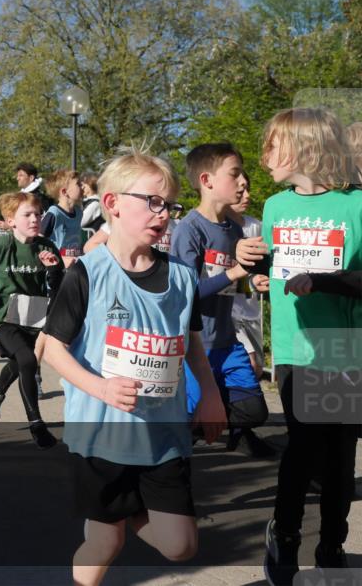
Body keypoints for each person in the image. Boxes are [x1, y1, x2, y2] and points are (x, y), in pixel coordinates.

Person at [41, 147, 226, 586]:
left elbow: (192, 343)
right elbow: (50, 349)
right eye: (153, 202)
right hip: (102, 436)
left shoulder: (182, 277)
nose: (163, 214)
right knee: (106, 543)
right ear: (112, 204)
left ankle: (127, 507)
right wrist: (100, 388)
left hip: (163, 434)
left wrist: (212, 393)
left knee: (182, 545)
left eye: (170, 206)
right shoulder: (86, 273)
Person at [235, 107, 361, 583]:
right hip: (292, 347)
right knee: (305, 446)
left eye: (272, 146)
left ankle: (331, 545)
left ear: (305, 147)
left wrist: (324, 282)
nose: (263, 157)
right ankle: (286, 537)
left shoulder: (356, 207)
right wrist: (253, 265)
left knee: (340, 456)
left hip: (344, 347)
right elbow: (276, 267)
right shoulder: (274, 207)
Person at [170, 143, 271, 457]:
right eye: (235, 174)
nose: (243, 182)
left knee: (255, 412)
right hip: (195, 346)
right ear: (207, 180)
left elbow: (231, 286)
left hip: (228, 342)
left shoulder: (234, 229)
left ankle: (207, 424)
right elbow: (187, 294)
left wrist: (252, 280)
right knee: (180, 434)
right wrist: (236, 272)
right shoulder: (189, 230)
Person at [0, 191, 64, 448]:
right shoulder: (1, 245)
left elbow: (59, 284)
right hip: (5, 317)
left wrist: (53, 268)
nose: (35, 219)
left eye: (38, 214)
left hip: (34, 316)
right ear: (11, 221)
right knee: (27, 360)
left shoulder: (46, 246)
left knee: (19, 361)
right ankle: (37, 425)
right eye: (27, 215)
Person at [226, 172, 267, 380]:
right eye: (241, 191)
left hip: (251, 311)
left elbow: (262, 268)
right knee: (248, 364)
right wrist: (249, 282)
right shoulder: (213, 228)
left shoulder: (256, 226)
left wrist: (261, 280)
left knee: (257, 369)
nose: (247, 196)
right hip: (228, 313)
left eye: (248, 189)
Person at [41, 169, 85, 268]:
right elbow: (39, 238)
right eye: (78, 184)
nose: (83, 186)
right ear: (65, 192)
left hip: (76, 261)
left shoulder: (79, 212)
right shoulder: (54, 213)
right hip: (58, 265)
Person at [80, 173, 103, 242]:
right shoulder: (86, 202)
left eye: (84, 184)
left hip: (92, 243)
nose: (82, 187)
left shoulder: (95, 204)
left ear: (91, 185)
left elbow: (80, 222)